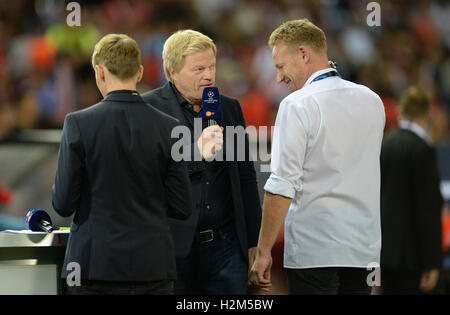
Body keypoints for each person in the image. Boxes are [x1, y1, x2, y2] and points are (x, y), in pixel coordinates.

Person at [249, 19, 386, 295]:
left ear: (303, 54)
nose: (278, 78)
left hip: (315, 251)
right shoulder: (373, 100)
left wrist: (263, 252)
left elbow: (281, 184)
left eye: (280, 66)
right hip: (363, 250)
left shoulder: (297, 104)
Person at [52, 34, 192, 295]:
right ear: (139, 73)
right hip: (153, 268)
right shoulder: (171, 128)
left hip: (94, 268)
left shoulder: (78, 124)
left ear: (100, 72)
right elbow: (182, 206)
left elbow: (62, 203)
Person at [142, 29, 262, 295]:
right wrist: (195, 153)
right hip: (172, 247)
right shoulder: (148, 109)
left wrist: (254, 242)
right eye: (198, 69)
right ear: (172, 72)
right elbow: (145, 179)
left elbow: (246, 177)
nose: (209, 75)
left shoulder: (228, 108)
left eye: (211, 66)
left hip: (227, 245)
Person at [380, 86, 443, 295]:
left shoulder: (384, 145)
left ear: (400, 110)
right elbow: (429, 209)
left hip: (383, 254)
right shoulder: (423, 150)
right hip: (413, 258)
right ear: (427, 113)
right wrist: (433, 261)